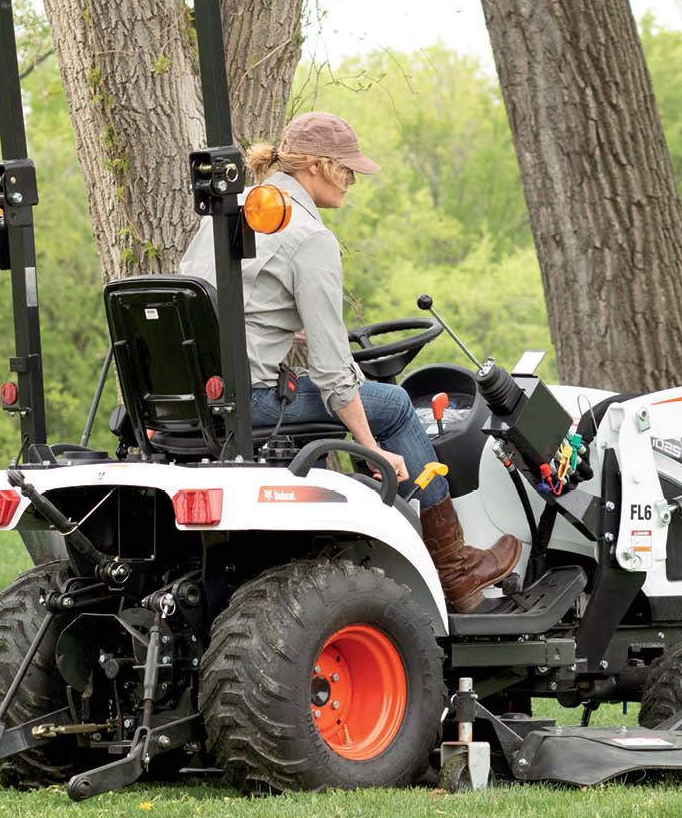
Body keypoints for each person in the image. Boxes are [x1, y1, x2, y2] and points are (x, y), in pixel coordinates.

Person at [180, 111, 520, 613]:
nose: (352, 180)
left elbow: (235, 301)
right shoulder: (309, 235)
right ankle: (455, 569)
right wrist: (372, 448)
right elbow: (336, 376)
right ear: (316, 164)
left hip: (197, 397)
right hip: (250, 402)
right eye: (347, 169)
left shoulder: (238, 210)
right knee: (396, 405)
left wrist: (291, 326)